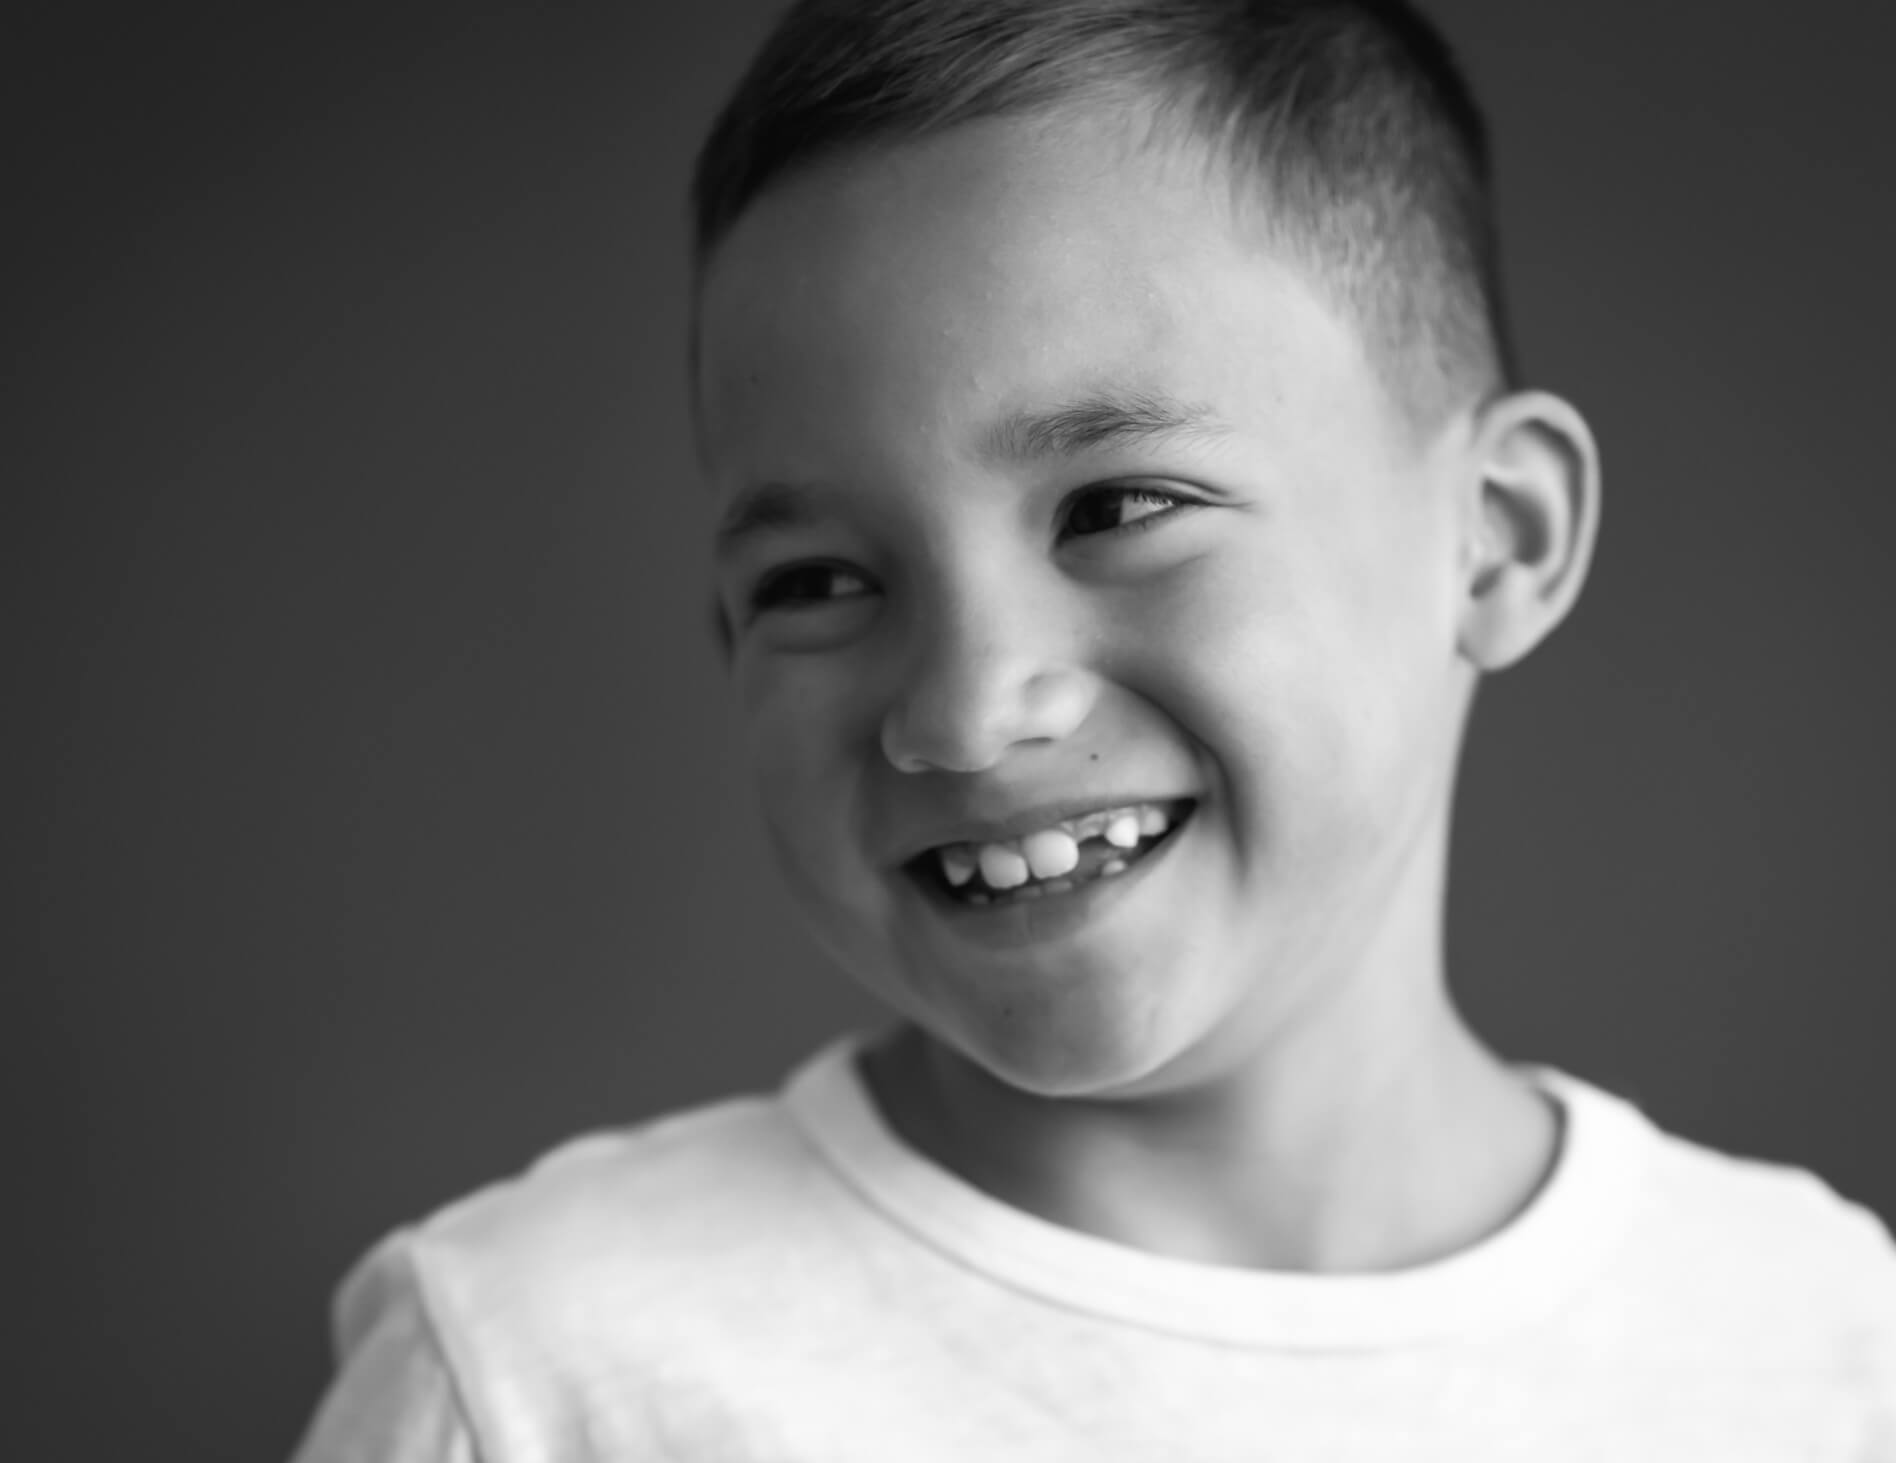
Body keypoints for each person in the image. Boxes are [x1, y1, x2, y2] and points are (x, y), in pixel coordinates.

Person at [291, 1, 1896, 1455]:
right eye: (820, 580)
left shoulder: (1822, 1344)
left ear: (1496, 536)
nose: (968, 711)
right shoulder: (530, 1374)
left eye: (1119, 506)